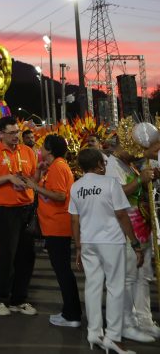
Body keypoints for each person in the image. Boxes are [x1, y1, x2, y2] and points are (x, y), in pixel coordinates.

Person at [70, 148, 144, 354]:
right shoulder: (110, 183)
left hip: (88, 242)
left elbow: (74, 220)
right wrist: (135, 243)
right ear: (99, 165)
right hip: (111, 241)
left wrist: (77, 247)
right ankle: (113, 336)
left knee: (92, 286)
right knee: (115, 288)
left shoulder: (76, 187)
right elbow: (121, 215)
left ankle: (94, 332)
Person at [104, 121, 160, 343]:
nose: (155, 153)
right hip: (125, 233)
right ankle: (125, 324)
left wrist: (149, 177)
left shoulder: (131, 164)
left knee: (142, 278)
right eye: (153, 148)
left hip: (141, 232)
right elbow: (114, 197)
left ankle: (144, 320)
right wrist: (140, 180)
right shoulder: (111, 165)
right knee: (127, 279)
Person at [0, 116, 37, 316]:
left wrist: (38, 175)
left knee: (27, 256)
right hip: (5, 209)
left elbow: (33, 178)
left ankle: (19, 299)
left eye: (18, 132)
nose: (16, 136)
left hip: (27, 208)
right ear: (1, 133)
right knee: (7, 255)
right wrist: (8, 177)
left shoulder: (28, 151)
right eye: (12, 133)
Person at [23, 134, 81, 328]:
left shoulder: (58, 167)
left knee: (63, 271)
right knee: (62, 270)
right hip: (54, 226)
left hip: (58, 226)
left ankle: (71, 314)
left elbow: (59, 195)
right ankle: (70, 312)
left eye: (42, 147)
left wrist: (33, 187)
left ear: (49, 150)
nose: (39, 150)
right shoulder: (54, 166)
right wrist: (38, 175)